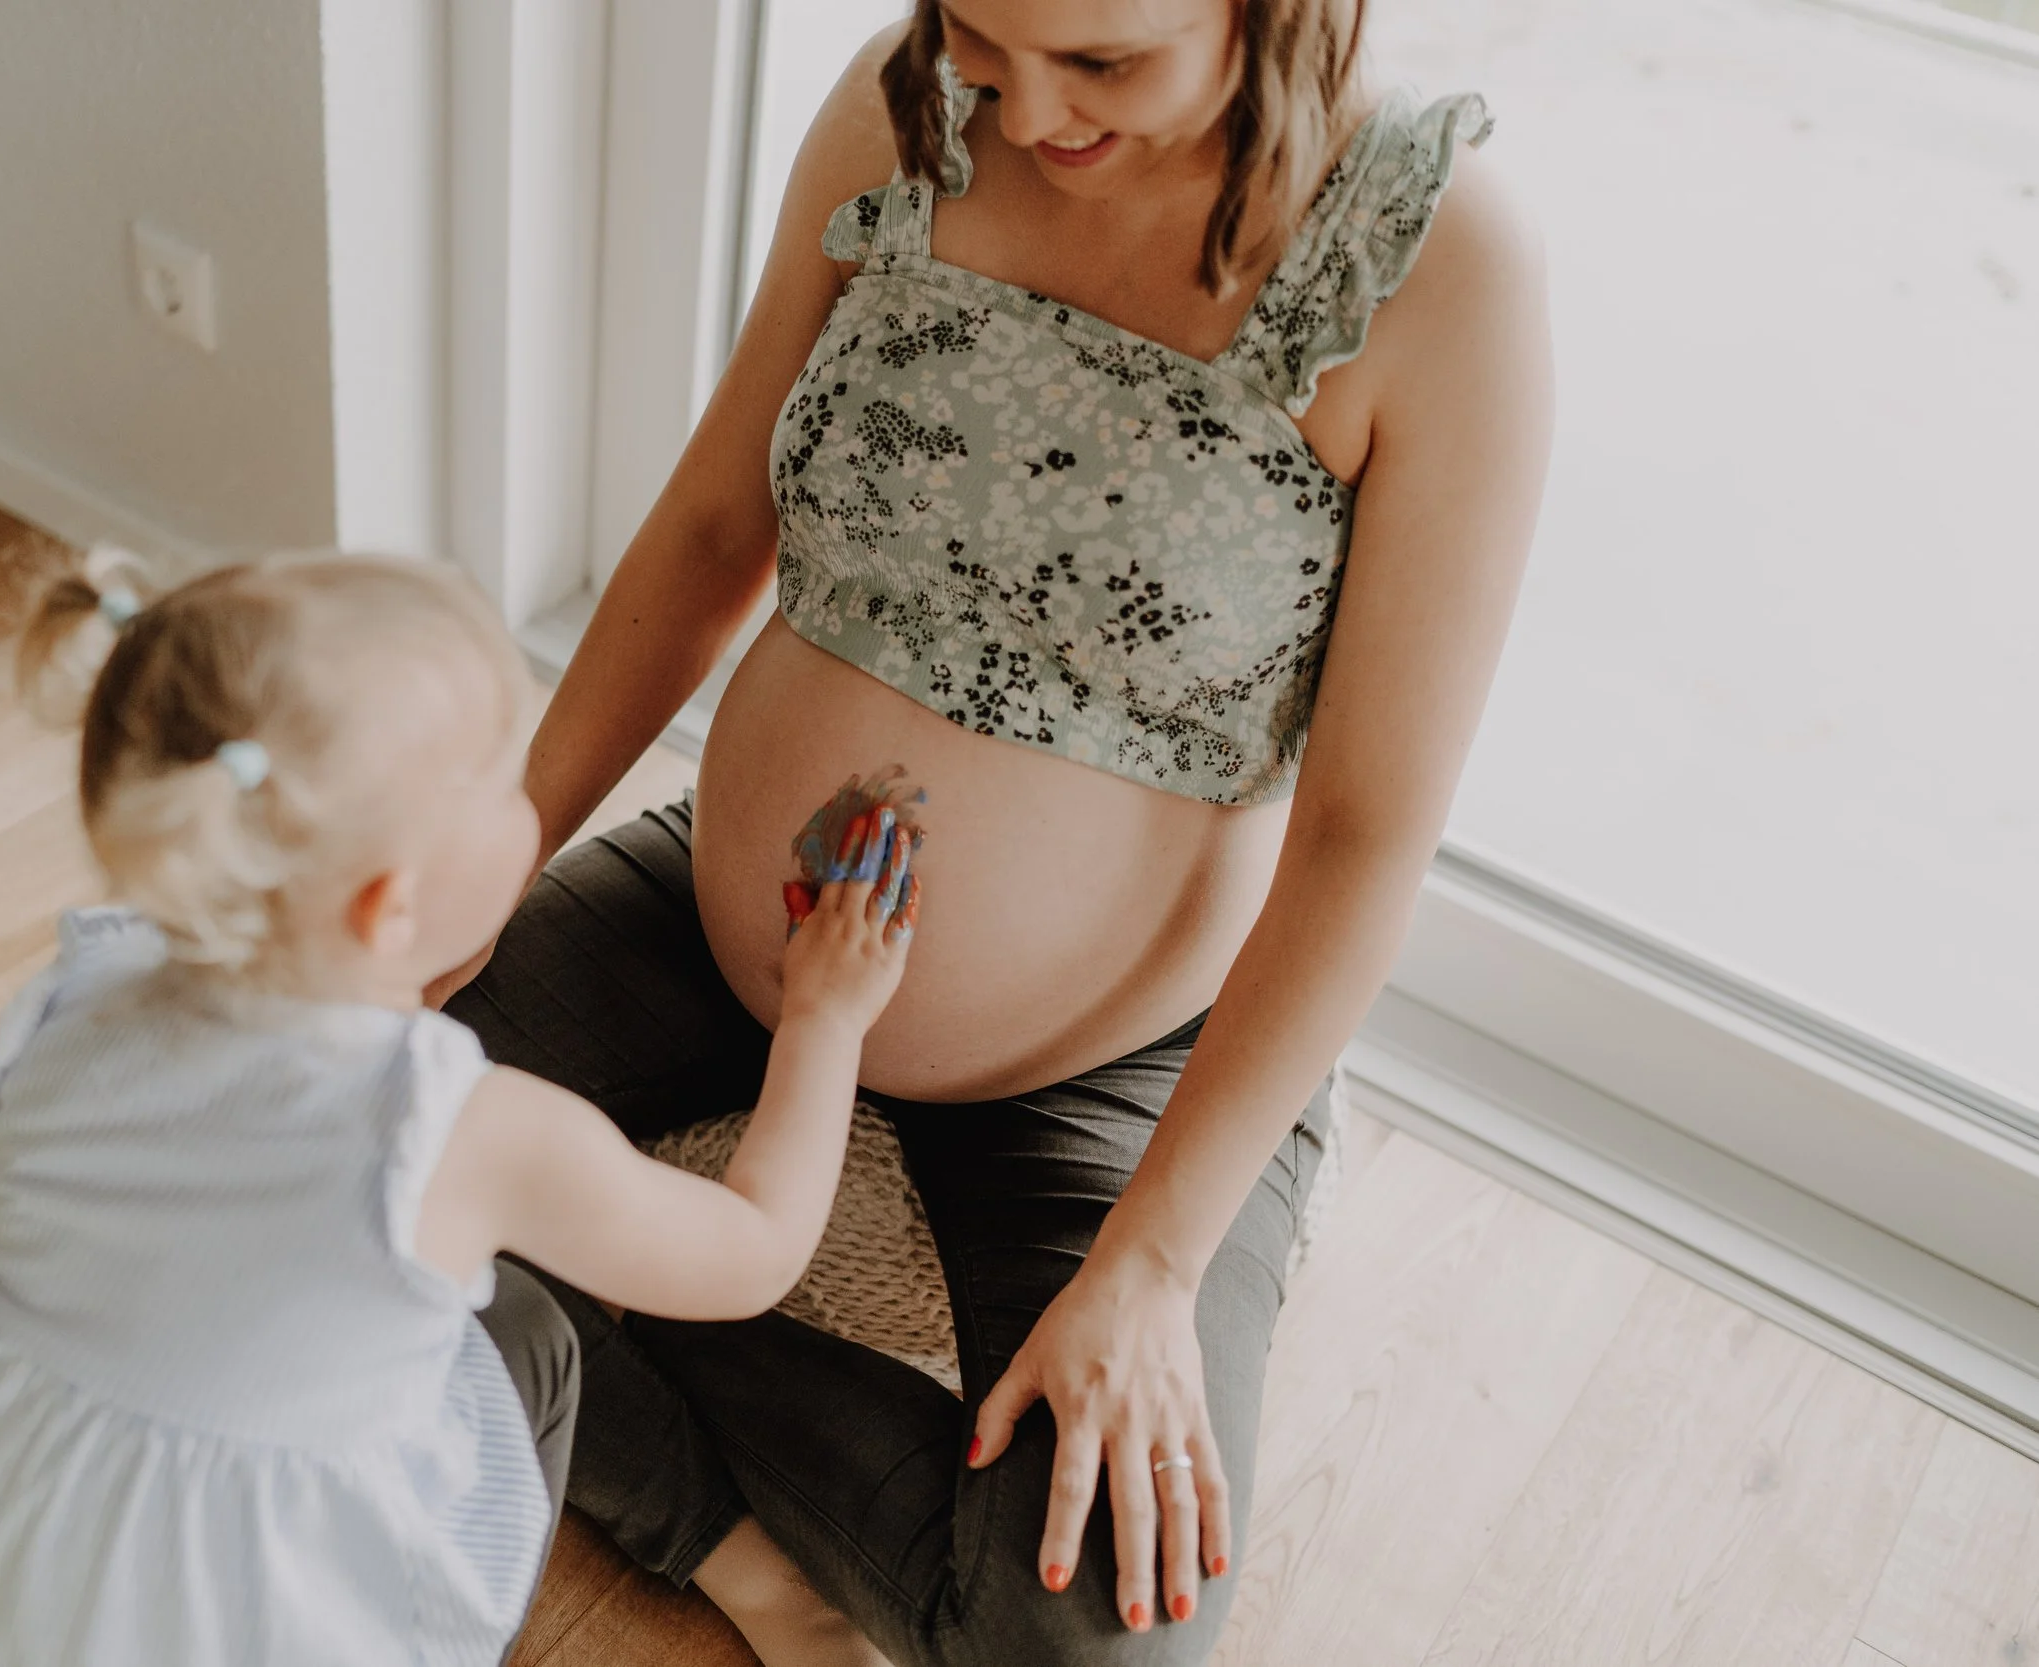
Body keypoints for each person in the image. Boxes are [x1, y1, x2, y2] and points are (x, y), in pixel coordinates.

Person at [433, 1, 1553, 1662]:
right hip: (726, 919)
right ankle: (716, 1520)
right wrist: (500, 851)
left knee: (1098, 1632)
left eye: (1102, 63)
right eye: (979, 33)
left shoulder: (1439, 270)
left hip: (1121, 1044)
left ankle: (583, 1282)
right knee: (292, 1123)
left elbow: (1367, 835)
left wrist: (1157, 1266)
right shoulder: (905, 108)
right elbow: (716, 521)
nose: (1025, 113)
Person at [0, 551, 920, 1667]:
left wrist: (21, 1456)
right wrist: (823, 1019)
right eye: (503, 782)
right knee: (530, 1335)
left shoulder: (72, 995)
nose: (524, 792)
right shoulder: (453, 1125)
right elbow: (751, 1249)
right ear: (391, 906)